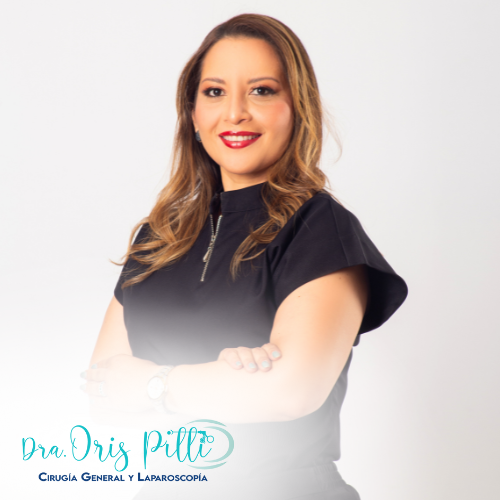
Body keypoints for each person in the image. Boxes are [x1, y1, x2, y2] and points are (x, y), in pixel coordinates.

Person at [81, 13, 408, 500]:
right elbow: (102, 399)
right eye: (215, 92)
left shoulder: (320, 227)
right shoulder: (158, 238)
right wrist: (223, 378)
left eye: (261, 91)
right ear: (193, 115)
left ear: (297, 108)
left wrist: (153, 384)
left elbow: (290, 390)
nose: (235, 113)